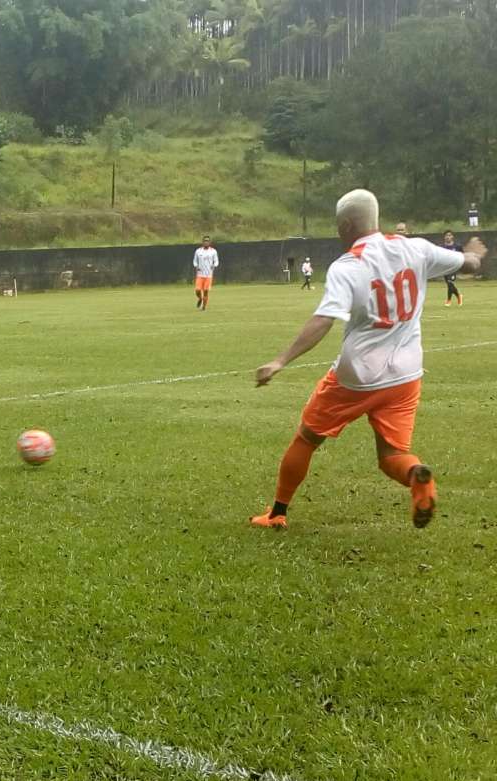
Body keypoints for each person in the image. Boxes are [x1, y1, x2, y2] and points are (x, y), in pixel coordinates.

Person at [249, 189, 485, 530]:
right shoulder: (414, 248)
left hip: (356, 376)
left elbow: (324, 319)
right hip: (405, 374)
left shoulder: (348, 265)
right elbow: (469, 264)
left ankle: (276, 514)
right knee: (392, 455)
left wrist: (280, 360)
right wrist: (474, 254)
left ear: (346, 224)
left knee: (307, 438)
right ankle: (417, 477)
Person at [193, 236, 219, 311]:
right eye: (205, 241)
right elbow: (195, 261)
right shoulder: (198, 251)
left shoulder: (213, 251)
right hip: (200, 274)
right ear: (202, 242)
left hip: (208, 275)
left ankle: (203, 307)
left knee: (206, 291)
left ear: (210, 242)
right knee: (197, 290)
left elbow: (216, 261)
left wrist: (214, 266)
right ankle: (200, 298)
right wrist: (196, 266)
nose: (206, 242)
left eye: (207, 241)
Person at [441, 229, 463, 307]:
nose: (448, 237)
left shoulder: (457, 246)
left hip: (454, 267)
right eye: (446, 235)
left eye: (450, 235)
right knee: (449, 284)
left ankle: (448, 300)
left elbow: (462, 255)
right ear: (444, 237)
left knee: (450, 282)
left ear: (452, 236)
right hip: (445, 268)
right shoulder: (442, 247)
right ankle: (459, 296)